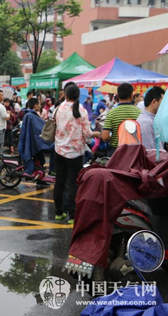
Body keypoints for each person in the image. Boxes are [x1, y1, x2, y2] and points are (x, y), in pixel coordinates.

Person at [54, 84, 100, 224]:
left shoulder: (58, 109)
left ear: (65, 95)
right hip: (75, 153)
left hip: (59, 150)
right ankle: (72, 215)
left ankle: (58, 212)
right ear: (78, 96)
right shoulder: (81, 110)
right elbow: (87, 134)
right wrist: (96, 133)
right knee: (73, 183)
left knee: (60, 181)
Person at [101, 83, 141, 154]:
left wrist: (114, 138)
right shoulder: (139, 112)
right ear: (132, 96)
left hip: (116, 151)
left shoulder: (111, 113)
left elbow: (105, 136)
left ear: (118, 96)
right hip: (134, 151)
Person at [18, 98, 52, 175]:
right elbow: (39, 128)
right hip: (33, 142)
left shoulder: (29, 114)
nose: (40, 106)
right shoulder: (31, 116)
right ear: (35, 105)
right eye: (39, 104)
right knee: (40, 160)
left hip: (31, 141)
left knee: (40, 160)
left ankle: (39, 176)